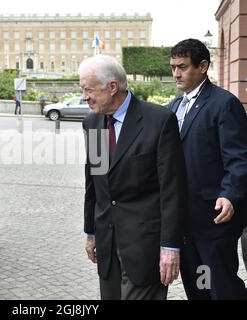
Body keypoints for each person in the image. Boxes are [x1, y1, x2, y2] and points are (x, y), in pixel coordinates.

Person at [79, 55, 187, 300]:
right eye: (81, 89)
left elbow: (172, 190)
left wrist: (170, 247)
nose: (84, 96)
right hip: (107, 243)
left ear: (112, 87)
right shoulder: (93, 122)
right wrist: (91, 232)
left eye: (88, 89)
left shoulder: (158, 121)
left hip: (145, 247)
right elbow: (93, 184)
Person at [168, 39, 247, 300]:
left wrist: (231, 195)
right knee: (198, 287)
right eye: (173, 67)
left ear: (203, 66)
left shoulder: (224, 104)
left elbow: (238, 157)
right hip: (185, 220)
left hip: (214, 220)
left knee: (221, 288)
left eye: (182, 67)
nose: (176, 74)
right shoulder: (173, 106)